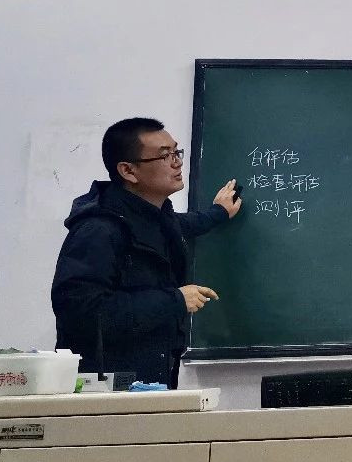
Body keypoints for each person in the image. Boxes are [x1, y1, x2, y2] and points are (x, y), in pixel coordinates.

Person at [52, 117, 242, 387]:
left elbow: (183, 224)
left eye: (176, 152)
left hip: (150, 381)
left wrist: (218, 213)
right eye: (165, 156)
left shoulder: (154, 218)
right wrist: (175, 300)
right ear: (128, 171)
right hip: (108, 390)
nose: (177, 162)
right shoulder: (98, 230)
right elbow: (81, 313)